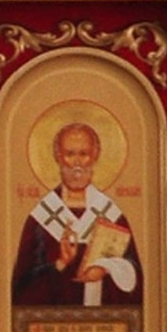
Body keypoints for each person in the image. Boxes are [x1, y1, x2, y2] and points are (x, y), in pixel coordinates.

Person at [10, 121, 142, 316]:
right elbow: (21, 290)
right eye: (70, 154)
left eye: (84, 154)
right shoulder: (40, 219)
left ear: (95, 156)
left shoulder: (112, 215)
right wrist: (60, 264)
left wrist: (106, 269)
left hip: (105, 331)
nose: (78, 163)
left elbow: (137, 282)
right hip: (53, 331)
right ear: (58, 157)